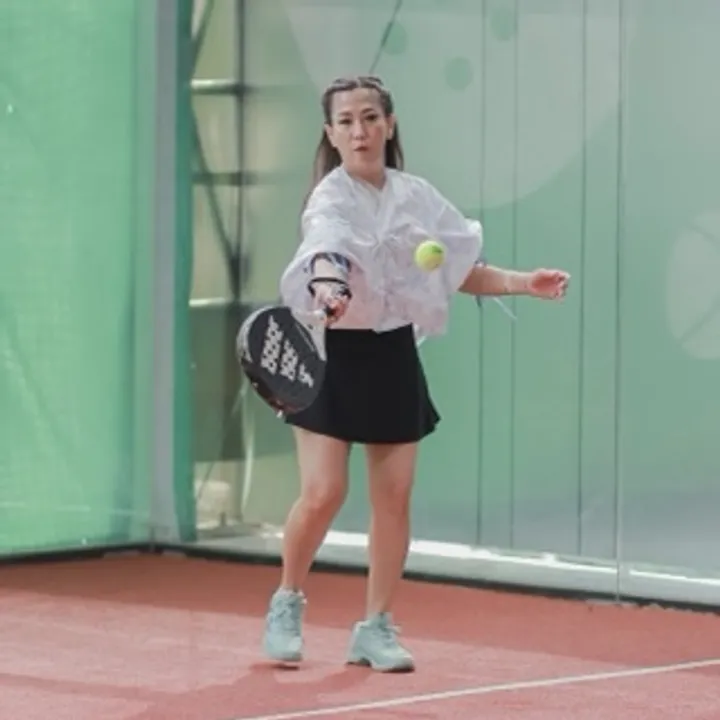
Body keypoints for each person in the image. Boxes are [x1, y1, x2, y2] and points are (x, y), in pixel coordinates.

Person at [262, 75, 570, 672]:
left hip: (393, 354)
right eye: (346, 121)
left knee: (394, 498)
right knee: (324, 494)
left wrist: (522, 283)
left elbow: (459, 267)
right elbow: (325, 250)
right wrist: (328, 287)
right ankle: (286, 600)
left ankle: (375, 628)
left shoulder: (418, 197)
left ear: (389, 124)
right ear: (330, 133)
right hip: (330, 354)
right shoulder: (329, 198)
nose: (359, 130)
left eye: (369, 117)